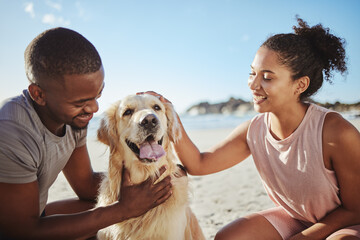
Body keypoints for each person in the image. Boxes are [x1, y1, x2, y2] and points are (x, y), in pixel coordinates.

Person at [151, 17, 360, 239]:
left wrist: (305, 237)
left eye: (267, 77)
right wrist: (171, 113)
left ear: (300, 85)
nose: (252, 85)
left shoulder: (336, 132)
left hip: (347, 223)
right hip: (295, 217)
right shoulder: (253, 131)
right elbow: (200, 164)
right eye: (252, 73)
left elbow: (355, 209)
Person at [0, 28, 172, 240]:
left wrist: (151, 184)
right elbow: (21, 231)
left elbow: (86, 185)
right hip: (16, 228)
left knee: (103, 205)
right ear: (39, 94)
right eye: (80, 102)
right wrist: (123, 209)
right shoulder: (11, 130)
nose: (94, 108)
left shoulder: (72, 118)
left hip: (36, 215)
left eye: (97, 94)